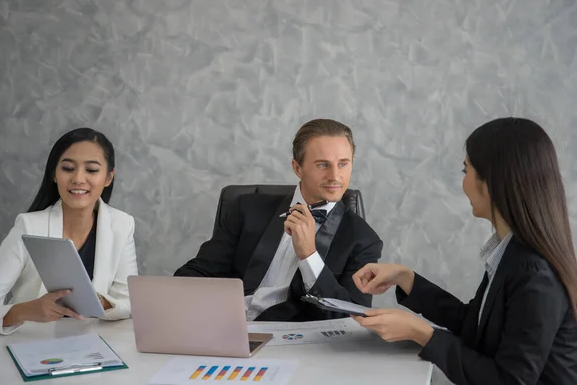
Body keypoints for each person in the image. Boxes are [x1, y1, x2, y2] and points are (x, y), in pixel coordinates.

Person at [353, 117, 577, 384]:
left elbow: (509, 380)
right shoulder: (511, 253)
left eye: (465, 171)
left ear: (492, 181)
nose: (464, 183)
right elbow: (475, 325)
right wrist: (405, 277)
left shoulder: (534, 272)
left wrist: (422, 333)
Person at [175, 119, 383, 321]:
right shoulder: (247, 209)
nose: (335, 176)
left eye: (343, 164)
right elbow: (200, 272)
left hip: (298, 346)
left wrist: (308, 255)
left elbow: (352, 318)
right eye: (322, 165)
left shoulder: (364, 240)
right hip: (230, 326)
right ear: (297, 168)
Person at [0, 128, 138, 334]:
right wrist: (24, 310)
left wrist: (99, 302)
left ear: (108, 177)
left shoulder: (122, 224)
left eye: (92, 170)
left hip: (95, 346)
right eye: (68, 168)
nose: (78, 179)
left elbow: (129, 302)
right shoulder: (28, 226)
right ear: (54, 174)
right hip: (31, 345)